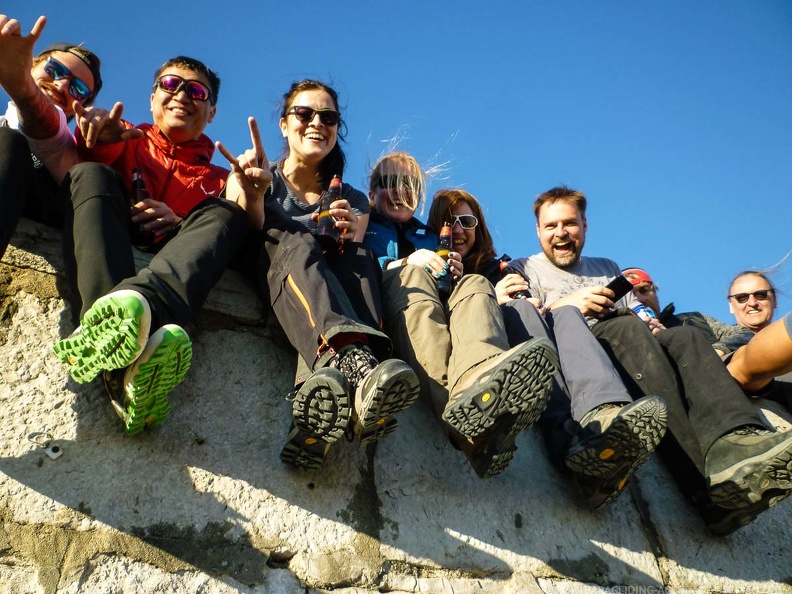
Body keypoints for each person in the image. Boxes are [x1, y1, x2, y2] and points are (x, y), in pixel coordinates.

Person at [512, 185, 792, 535]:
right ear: (537, 231)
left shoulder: (607, 266)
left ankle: (737, 441)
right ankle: (706, 493)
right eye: (551, 226)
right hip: (591, 353)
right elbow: (530, 322)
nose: (561, 233)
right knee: (628, 334)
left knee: (686, 336)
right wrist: (574, 303)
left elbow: (638, 314)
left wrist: (652, 323)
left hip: (636, 340)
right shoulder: (525, 268)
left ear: (585, 225)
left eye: (569, 224)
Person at [52, 56, 270, 437]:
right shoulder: (124, 139)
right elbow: (88, 154)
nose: (182, 95)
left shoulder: (221, 176)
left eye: (197, 91)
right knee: (90, 174)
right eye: (171, 85)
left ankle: (123, 328)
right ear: (152, 98)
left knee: (226, 213)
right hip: (114, 235)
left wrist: (191, 218)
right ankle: (111, 336)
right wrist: (95, 138)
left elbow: (244, 224)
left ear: (212, 111)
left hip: (176, 255)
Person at [423, 182, 667, 504]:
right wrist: (491, 297)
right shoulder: (426, 260)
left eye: (467, 222)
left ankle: (601, 419)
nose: (457, 231)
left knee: (555, 313)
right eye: (449, 222)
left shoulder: (500, 267)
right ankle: (569, 446)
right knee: (531, 309)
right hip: (474, 355)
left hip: (559, 345)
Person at [244, 82, 420, 471]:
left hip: (318, 302)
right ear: (285, 124)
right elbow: (240, 228)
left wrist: (344, 234)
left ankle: (321, 410)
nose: (316, 124)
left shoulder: (352, 198)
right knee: (298, 240)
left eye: (328, 118)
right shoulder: (259, 174)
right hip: (273, 280)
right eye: (305, 114)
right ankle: (356, 368)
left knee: (358, 256)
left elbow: (351, 260)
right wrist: (253, 193)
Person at [363, 152, 561, 479]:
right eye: (389, 183)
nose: (399, 191)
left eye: (409, 184)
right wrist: (402, 264)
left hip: (435, 313)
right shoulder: (362, 220)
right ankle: (472, 431)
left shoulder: (431, 236)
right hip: (387, 314)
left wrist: (451, 275)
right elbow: (349, 263)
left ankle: (478, 381)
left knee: (474, 282)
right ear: (372, 194)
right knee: (412, 277)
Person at [0, 14, 103, 258]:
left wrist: (24, 89)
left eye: (78, 89)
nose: (61, 86)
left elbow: (49, 125)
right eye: (55, 70)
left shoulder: (72, 147)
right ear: (32, 64)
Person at [621, 267, 754, 358]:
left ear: (655, 293)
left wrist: (715, 353)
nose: (641, 299)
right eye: (631, 295)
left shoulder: (694, 319)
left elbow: (745, 334)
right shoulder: (618, 339)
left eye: (644, 290)